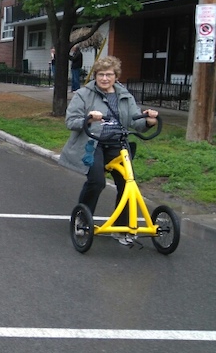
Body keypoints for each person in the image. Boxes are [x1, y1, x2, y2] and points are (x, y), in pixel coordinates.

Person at [58, 56, 158, 244]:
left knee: (129, 183)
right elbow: (71, 122)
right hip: (93, 143)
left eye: (109, 75)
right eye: (101, 74)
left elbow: (136, 122)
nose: (105, 78)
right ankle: (82, 218)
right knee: (96, 181)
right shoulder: (83, 94)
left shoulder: (124, 95)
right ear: (95, 75)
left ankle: (123, 228)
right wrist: (88, 118)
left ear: (116, 76)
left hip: (117, 144)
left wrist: (149, 121)